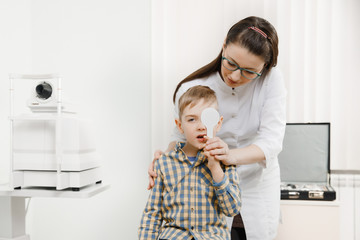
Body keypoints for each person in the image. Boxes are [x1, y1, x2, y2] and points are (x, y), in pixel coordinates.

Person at [148, 16, 287, 240]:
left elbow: (271, 142)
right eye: (231, 63)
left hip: (257, 186)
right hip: (207, 188)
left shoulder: (271, 81)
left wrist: (228, 155)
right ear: (223, 45)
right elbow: (180, 139)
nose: (234, 76)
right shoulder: (191, 88)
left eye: (249, 72)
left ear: (265, 68)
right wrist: (165, 158)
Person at [139, 85, 242, 240]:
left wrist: (215, 168)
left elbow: (231, 209)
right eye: (192, 119)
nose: (200, 126)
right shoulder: (165, 163)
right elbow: (152, 214)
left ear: (218, 124)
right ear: (180, 126)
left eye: (206, 119)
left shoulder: (225, 162)